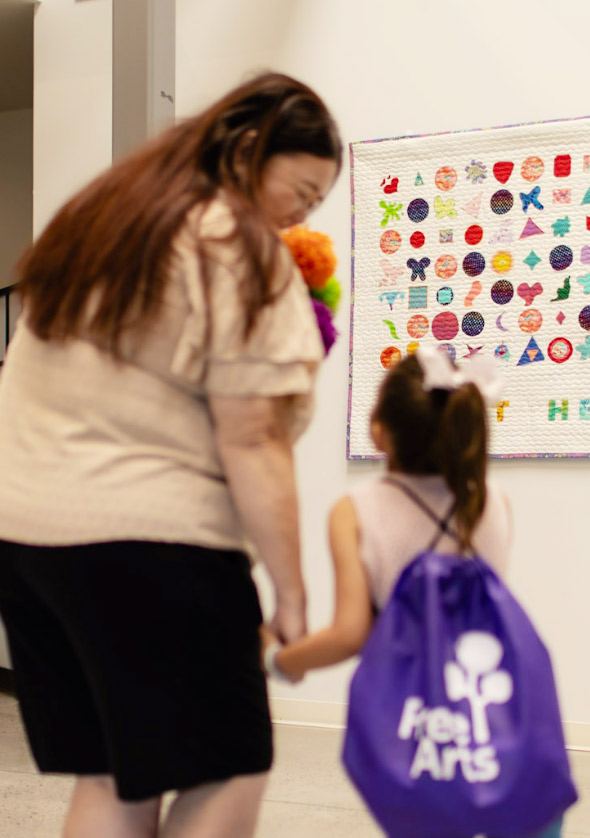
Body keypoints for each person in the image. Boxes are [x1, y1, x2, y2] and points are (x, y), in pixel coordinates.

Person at [0, 72, 341, 837]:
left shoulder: (104, 222)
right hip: (151, 548)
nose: (302, 214)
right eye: (304, 190)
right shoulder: (237, 243)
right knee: (228, 768)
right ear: (251, 148)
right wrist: (289, 595)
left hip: (29, 547)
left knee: (115, 771)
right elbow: (251, 436)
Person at [265, 348, 564, 838]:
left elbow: (349, 634)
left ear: (379, 429)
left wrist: (280, 661)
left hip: (423, 734)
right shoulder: (493, 503)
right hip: (498, 728)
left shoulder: (356, 509)